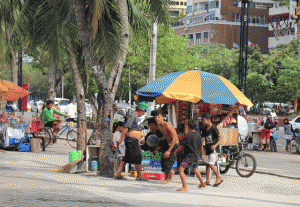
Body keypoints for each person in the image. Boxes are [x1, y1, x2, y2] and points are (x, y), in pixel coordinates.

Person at [114, 102, 149, 181]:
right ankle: (139, 175)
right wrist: (120, 140)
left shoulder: (135, 117)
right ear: (140, 110)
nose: (143, 113)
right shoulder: (132, 116)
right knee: (138, 156)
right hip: (131, 140)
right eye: (144, 111)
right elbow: (126, 128)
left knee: (127, 158)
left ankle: (118, 173)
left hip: (133, 140)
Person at [174, 119, 206, 191]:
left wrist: (176, 151)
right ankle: (202, 183)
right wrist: (202, 155)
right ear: (196, 127)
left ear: (188, 127)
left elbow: (182, 146)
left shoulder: (188, 136)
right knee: (194, 169)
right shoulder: (198, 136)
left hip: (189, 156)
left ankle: (185, 186)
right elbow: (201, 146)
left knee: (181, 169)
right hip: (196, 155)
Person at [152, 109, 180, 184]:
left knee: (168, 161)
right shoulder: (159, 127)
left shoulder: (168, 126)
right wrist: (159, 139)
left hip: (174, 145)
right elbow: (166, 135)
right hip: (168, 144)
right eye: (156, 117)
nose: (157, 118)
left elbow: (174, 139)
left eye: (158, 117)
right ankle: (171, 172)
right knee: (163, 160)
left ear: (163, 117)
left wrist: (169, 151)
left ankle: (167, 179)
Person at [200, 113, 223, 187]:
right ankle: (207, 180)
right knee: (207, 164)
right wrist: (202, 151)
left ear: (208, 119)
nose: (202, 121)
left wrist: (215, 145)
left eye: (203, 120)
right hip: (207, 148)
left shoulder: (214, 128)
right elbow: (202, 139)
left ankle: (218, 177)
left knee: (210, 164)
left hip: (214, 149)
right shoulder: (204, 129)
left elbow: (221, 138)